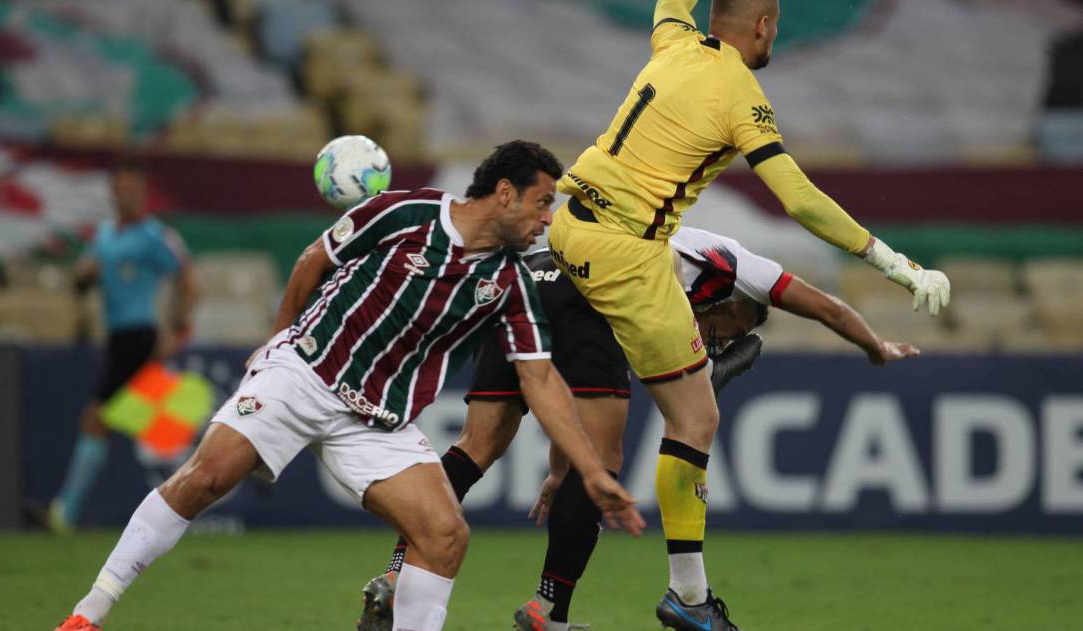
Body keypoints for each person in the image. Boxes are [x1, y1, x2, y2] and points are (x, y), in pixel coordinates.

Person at [54, 140, 644, 631]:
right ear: (505, 192)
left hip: (377, 418)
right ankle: (88, 614)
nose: (548, 220)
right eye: (543, 204)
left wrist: (590, 472)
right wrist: (279, 338)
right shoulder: (406, 211)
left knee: (443, 535)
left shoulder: (511, 282)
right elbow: (315, 257)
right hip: (306, 371)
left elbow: (538, 378)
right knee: (206, 477)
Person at [546, 0, 950, 627]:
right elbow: (800, 199)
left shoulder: (675, 40)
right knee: (696, 417)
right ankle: (688, 598)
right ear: (763, 24)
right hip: (629, 252)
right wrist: (894, 262)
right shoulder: (741, 92)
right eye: (776, 26)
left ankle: (537, 595)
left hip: (567, 229)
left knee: (584, 424)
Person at [356, 225, 920, 631]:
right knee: (607, 461)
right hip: (594, 287)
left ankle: (397, 572)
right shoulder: (741, 266)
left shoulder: (673, 273)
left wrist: (561, 467)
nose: (724, 334)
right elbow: (824, 307)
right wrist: (875, 345)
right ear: (740, 301)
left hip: (529, 277)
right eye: (737, 324)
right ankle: (551, 610)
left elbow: (569, 392)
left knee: (477, 446)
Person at [47, 159, 197, 533]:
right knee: (160, 425)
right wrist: (82, 277)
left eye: (134, 188)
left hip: (140, 337)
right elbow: (80, 281)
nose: (127, 194)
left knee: (96, 418)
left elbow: (188, 280)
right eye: (121, 187)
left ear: (142, 193)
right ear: (112, 191)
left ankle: (64, 512)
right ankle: (240, 456)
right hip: (117, 340)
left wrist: (177, 330)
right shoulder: (103, 236)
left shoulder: (154, 236)